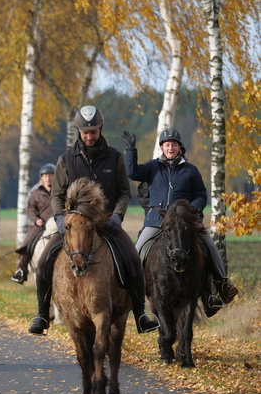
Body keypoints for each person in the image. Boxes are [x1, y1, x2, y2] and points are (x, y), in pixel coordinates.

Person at [29, 105, 161, 336]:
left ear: (100, 129)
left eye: (94, 132)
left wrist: (117, 216)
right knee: (42, 263)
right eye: (85, 132)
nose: (89, 136)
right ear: (79, 131)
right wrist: (61, 220)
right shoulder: (66, 159)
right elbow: (56, 195)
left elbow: (123, 192)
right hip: (73, 227)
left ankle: (141, 314)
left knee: (133, 259)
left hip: (106, 224)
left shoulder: (114, 157)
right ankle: (42, 315)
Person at [122, 127, 239, 314]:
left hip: (184, 221)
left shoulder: (190, 170)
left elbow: (201, 195)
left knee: (208, 243)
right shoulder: (152, 167)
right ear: (162, 147)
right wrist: (132, 151)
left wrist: (191, 209)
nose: (170, 148)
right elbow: (133, 173)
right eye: (167, 145)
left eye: (174, 145)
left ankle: (220, 286)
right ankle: (128, 292)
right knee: (138, 251)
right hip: (157, 220)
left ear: (179, 148)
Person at [11, 163, 55, 284]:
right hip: (40, 226)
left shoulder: (61, 192)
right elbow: (30, 209)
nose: (48, 178)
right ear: (41, 177)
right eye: (45, 176)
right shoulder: (35, 194)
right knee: (27, 245)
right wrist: (36, 220)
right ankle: (20, 270)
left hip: (58, 226)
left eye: (50, 175)